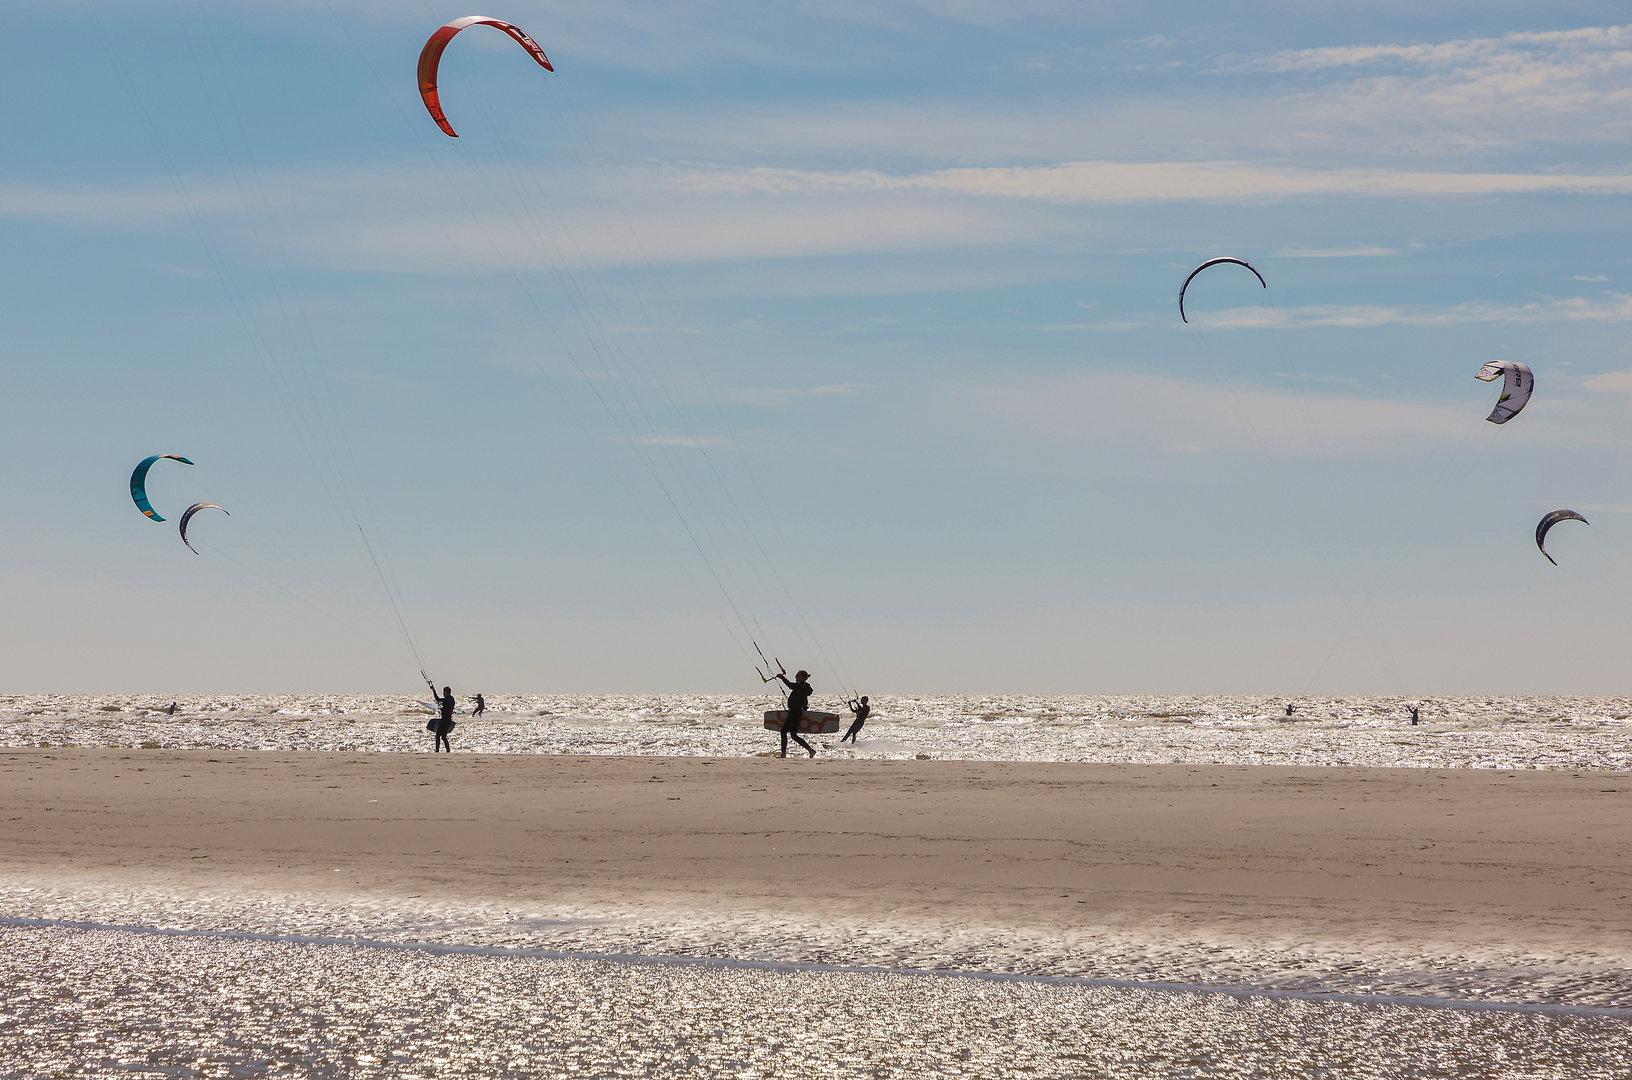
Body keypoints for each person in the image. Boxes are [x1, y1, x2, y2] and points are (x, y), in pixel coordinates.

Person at [773, 668, 816, 759]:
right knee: (793, 735)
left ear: (802, 677)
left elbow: (790, 685)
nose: (795, 676)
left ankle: (783, 754)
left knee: (783, 731)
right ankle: (811, 750)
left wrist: (782, 678)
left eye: (797, 675)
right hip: (796, 711)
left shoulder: (802, 685)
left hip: (796, 712)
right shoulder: (802, 686)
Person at [431, 685, 456, 752]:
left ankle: (437, 751)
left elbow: (438, 699)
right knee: (443, 737)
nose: (443, 693)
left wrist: (433, 690)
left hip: (445, 720)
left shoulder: (448, 698)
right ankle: (448, 750)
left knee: (438, 736)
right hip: (447, 719)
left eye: (444, 692)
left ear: (446, 692)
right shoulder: (450, 699)